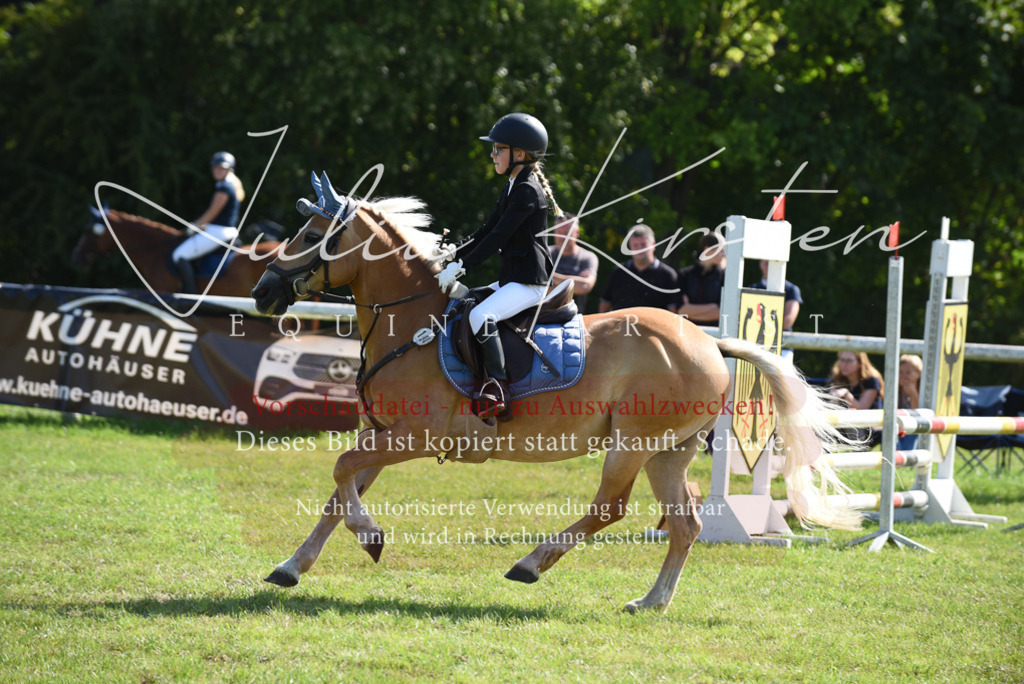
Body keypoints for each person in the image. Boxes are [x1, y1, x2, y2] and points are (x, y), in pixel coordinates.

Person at [436, 113, 561, 417]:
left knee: (481, 316)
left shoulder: (528, 190)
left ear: (519, 154)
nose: (492, 155)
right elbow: (485, 230)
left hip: (530, 282)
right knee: (464, 304)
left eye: (498, 149)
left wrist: (462, 266)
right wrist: (453, 252)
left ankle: (499, 388)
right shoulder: (512, 186)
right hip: (513, 279)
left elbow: (498, 237)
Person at [172, 151, 245, 293]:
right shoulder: (225, 185)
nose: (217, 171)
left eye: (221, 168)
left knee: (179, 255)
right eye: (215, 167)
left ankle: (191, 295)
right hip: (219, 230)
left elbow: (212, 212)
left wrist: (194, 225)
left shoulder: (224, 188)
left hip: (219, 232)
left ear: (229, 170)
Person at [598, 224, 677, 313]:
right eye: (635, 245)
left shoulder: (667, 275)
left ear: (653, 245)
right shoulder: (618, 272)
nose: (639, 249)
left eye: (643, 244)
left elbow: (673, 311)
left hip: (654, 326)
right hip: (621, 325)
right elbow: (605, 304)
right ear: (630, 247)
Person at [749, 259, 803, 360]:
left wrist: (761, 328)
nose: (770, 267)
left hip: (783, 348)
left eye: (773, 263)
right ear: (760, 264)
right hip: (756, 347)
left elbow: (787, 321)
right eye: (766, 263)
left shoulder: (791, 290)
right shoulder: (752, 289)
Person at [829, 351, 885, 445]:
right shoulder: (838, 379)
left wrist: (846, 394)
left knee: (852, 418)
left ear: (860, 363)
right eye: (842, 360)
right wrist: (833, 398)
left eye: (849, 361)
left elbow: (862, 407)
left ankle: (859, 452)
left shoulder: (871, 380)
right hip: (847, 425)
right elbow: (831, 407)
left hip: (872, 427)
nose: (844, 364)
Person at [549, 212, 598, 312]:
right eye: (559, 232)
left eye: (567, 233)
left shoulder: (587, 257)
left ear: (577, 233)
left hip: (575, 319)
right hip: (544, 317)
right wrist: (574, 281)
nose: (562, 237)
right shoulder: (546, 254)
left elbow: (585, 287)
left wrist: (549, 277)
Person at [676, 232, 726, 326]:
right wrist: (713, 306)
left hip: (714, 334)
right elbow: (681, 310)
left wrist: (691, 312)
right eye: (721, 250)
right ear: (708, 249)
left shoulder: (723, 276)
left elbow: (723, 313)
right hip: (687, 333)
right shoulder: (685, 274)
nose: (724, 254)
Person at [897, 354, 923, 451]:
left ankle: (904, 453)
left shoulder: (923, 390)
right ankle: (896, 451)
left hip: (915, 426)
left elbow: (917, 414)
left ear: (918, 374)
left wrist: (913, 394)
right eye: (900, 372)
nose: (903, 376)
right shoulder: (896, 388)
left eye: (908, 372)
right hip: (899, 425)